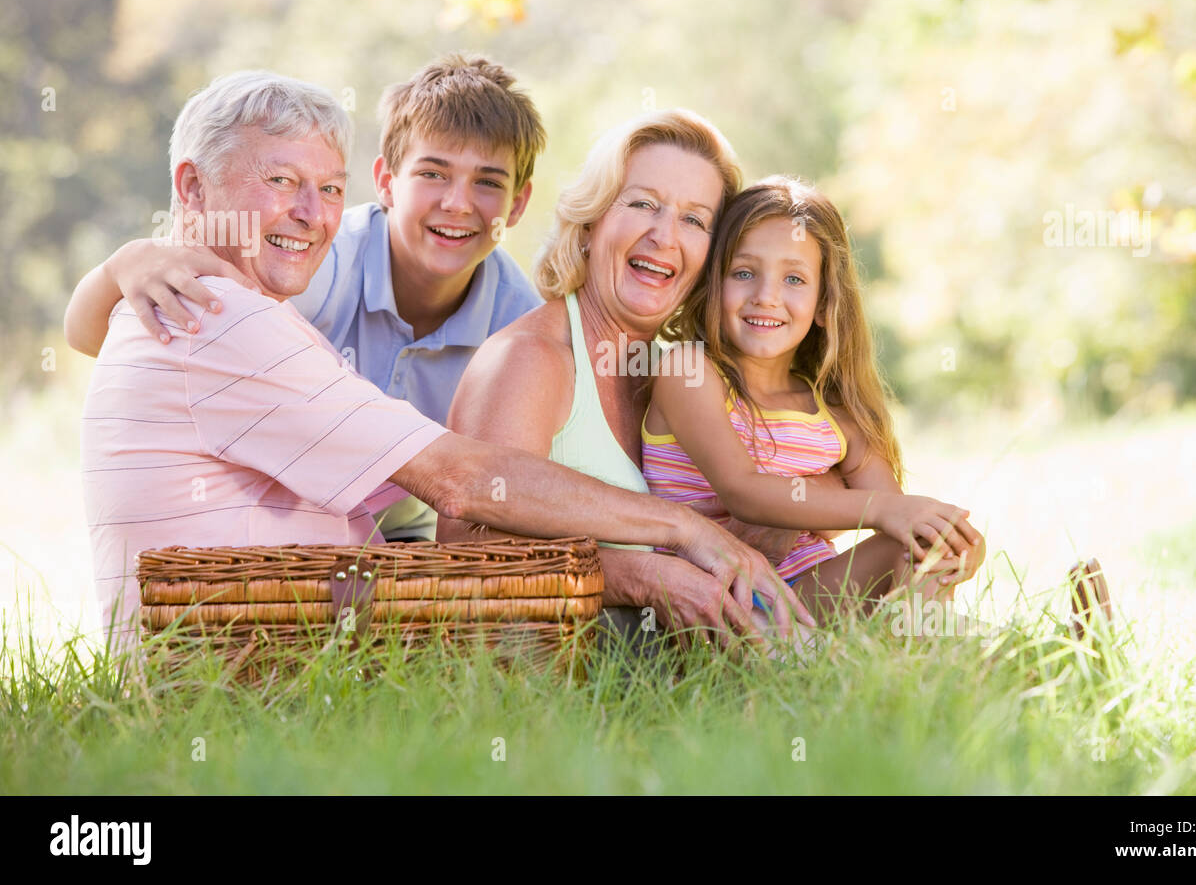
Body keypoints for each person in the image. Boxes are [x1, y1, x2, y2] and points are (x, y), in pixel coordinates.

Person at [74, 71, 791, 647]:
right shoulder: (228, 310)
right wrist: (678, 535)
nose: (311, 214)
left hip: (327, 591)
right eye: (281, 182)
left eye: (327, 189)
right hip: (250, 648)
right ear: (193, 188)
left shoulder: (253, 301)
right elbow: (465, 483)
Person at [65, 54, 547, 541]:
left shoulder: (516, 323)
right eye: (433, 174)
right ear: (385, 183)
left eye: (487, 182)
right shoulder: (311, 261)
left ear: (518, 203)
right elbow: (97, 335)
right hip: (295, 529)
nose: (458, 203)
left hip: (407, 535)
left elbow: (497, 485)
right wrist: (123, 264)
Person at [438, 112, 820, 646]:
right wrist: (643, 578)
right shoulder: (531, 358)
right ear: (591, 222)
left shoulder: (680, 377)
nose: (664, 236)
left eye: (694, 220)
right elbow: (467, 550)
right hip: (557, 682)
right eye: (642, 204)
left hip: (674, 679)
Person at [644, 176, 986, 622]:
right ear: (713, 284)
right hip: (722, 602)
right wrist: (886, 511)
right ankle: (924, 655)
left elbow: (902, 521)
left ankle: (925, 656)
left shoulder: (835, 415)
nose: (766, 296)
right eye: (744, 272)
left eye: (794, 279)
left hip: (811, 596)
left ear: (825, 303)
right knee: (907, 538)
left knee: (920, 544)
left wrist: (956, 544)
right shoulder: (689, 372)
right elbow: (743, 491)